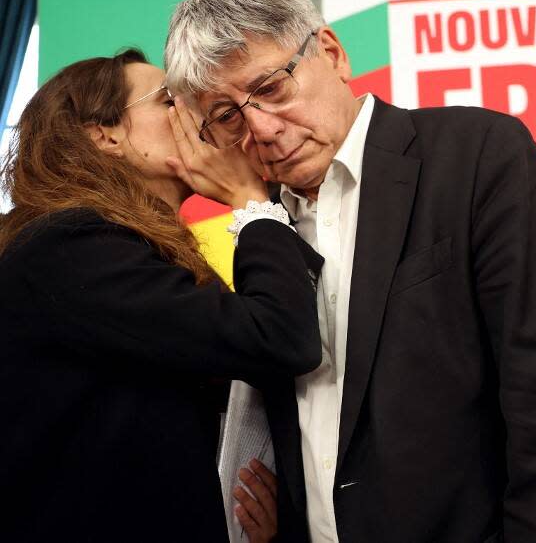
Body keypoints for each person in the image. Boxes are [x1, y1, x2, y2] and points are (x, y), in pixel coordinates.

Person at [165, 0, 536, 543]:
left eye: (272, 87)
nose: (262, 128)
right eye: (228, 116)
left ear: (331, 53)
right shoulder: (258, 233)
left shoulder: (476, 155)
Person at [0, 50, 323, 542]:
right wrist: (249, 200)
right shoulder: (69, 245)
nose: (192, 113)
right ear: (104, 136)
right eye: (168, 100)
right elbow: (279, 336)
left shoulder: (129, 250)